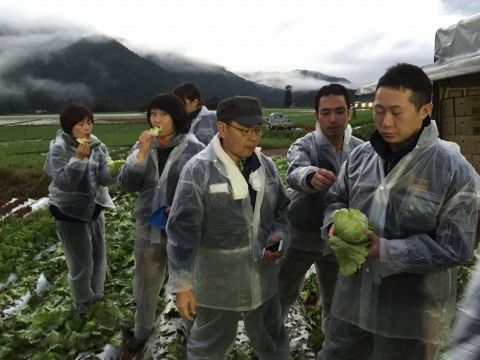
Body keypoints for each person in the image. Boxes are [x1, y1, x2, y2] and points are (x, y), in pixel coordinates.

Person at [318, 63, 479, 360]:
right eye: (379, 111)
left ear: (424, 109)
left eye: (396, 112)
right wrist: (334, 224)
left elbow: (457, 247)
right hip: (353, 301)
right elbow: (336, 199)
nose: (386, 121)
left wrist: (387, 250)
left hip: (409, 313)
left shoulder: (453, 170)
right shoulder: (361, 157)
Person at [166, 96, 291, 359]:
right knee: (209, 345)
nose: (253, 138)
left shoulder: (265, 166)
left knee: (271, 338)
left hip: (261, 276)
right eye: (244, 131)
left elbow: (281, 211)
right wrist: (182, 285)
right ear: (222, 129)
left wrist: (279, 237)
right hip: (216, 282)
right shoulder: (199, 170)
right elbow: (181, 234)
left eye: (257, 130)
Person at [116, 93, 204, 355]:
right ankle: (142, 332)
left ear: (176, 118)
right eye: (153, 114)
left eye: (163, 114)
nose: (156, 119)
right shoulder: (144, 146)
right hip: (149, 226)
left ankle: (195, 334)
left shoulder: (194, 148)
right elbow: (126, 184)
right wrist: (141, 153)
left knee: (188, 281)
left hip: (184, 228)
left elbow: (202, 188)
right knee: (145, 283)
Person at [278, 84, 363, 332]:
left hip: (338, 239)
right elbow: (295, 170)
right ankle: (270, 347)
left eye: (339, 111)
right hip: (301, 234)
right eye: (325, 112)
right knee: (282, 292)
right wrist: (311, 176)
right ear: (316, 115)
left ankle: (331, 349)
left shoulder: (360, 149)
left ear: (350, 112)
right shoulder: (304, 145)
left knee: (337, 302)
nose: (333, 119)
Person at [44, 104, 115, 314]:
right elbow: (65, 183)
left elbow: (103, 178)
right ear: (69, 127)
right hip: (69, 212)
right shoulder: (59, 149)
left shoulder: (98, 146)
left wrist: (115, 169)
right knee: (81, 263)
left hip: (94, 208)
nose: (87, 127)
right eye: (81, 123)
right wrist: (78, 160)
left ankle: (97, 297)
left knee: (99, 256)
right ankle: (83, 306)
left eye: (89, 122)